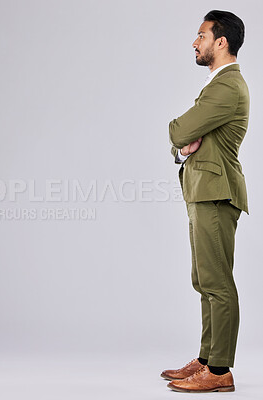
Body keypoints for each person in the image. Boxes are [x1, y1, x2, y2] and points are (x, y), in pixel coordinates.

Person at [161, 10, 249, 393]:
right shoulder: (217, 84)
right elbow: (184, 142)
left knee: (218, 283)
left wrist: (181, 138)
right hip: (203, 191)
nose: (194, 42)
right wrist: (183, 147)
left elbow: (180, 129)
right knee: (204, 280)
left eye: (201, 35)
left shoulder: (228, 86)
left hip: (216, 193)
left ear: (221, 41)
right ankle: (206, 359)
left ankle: (220, 370)